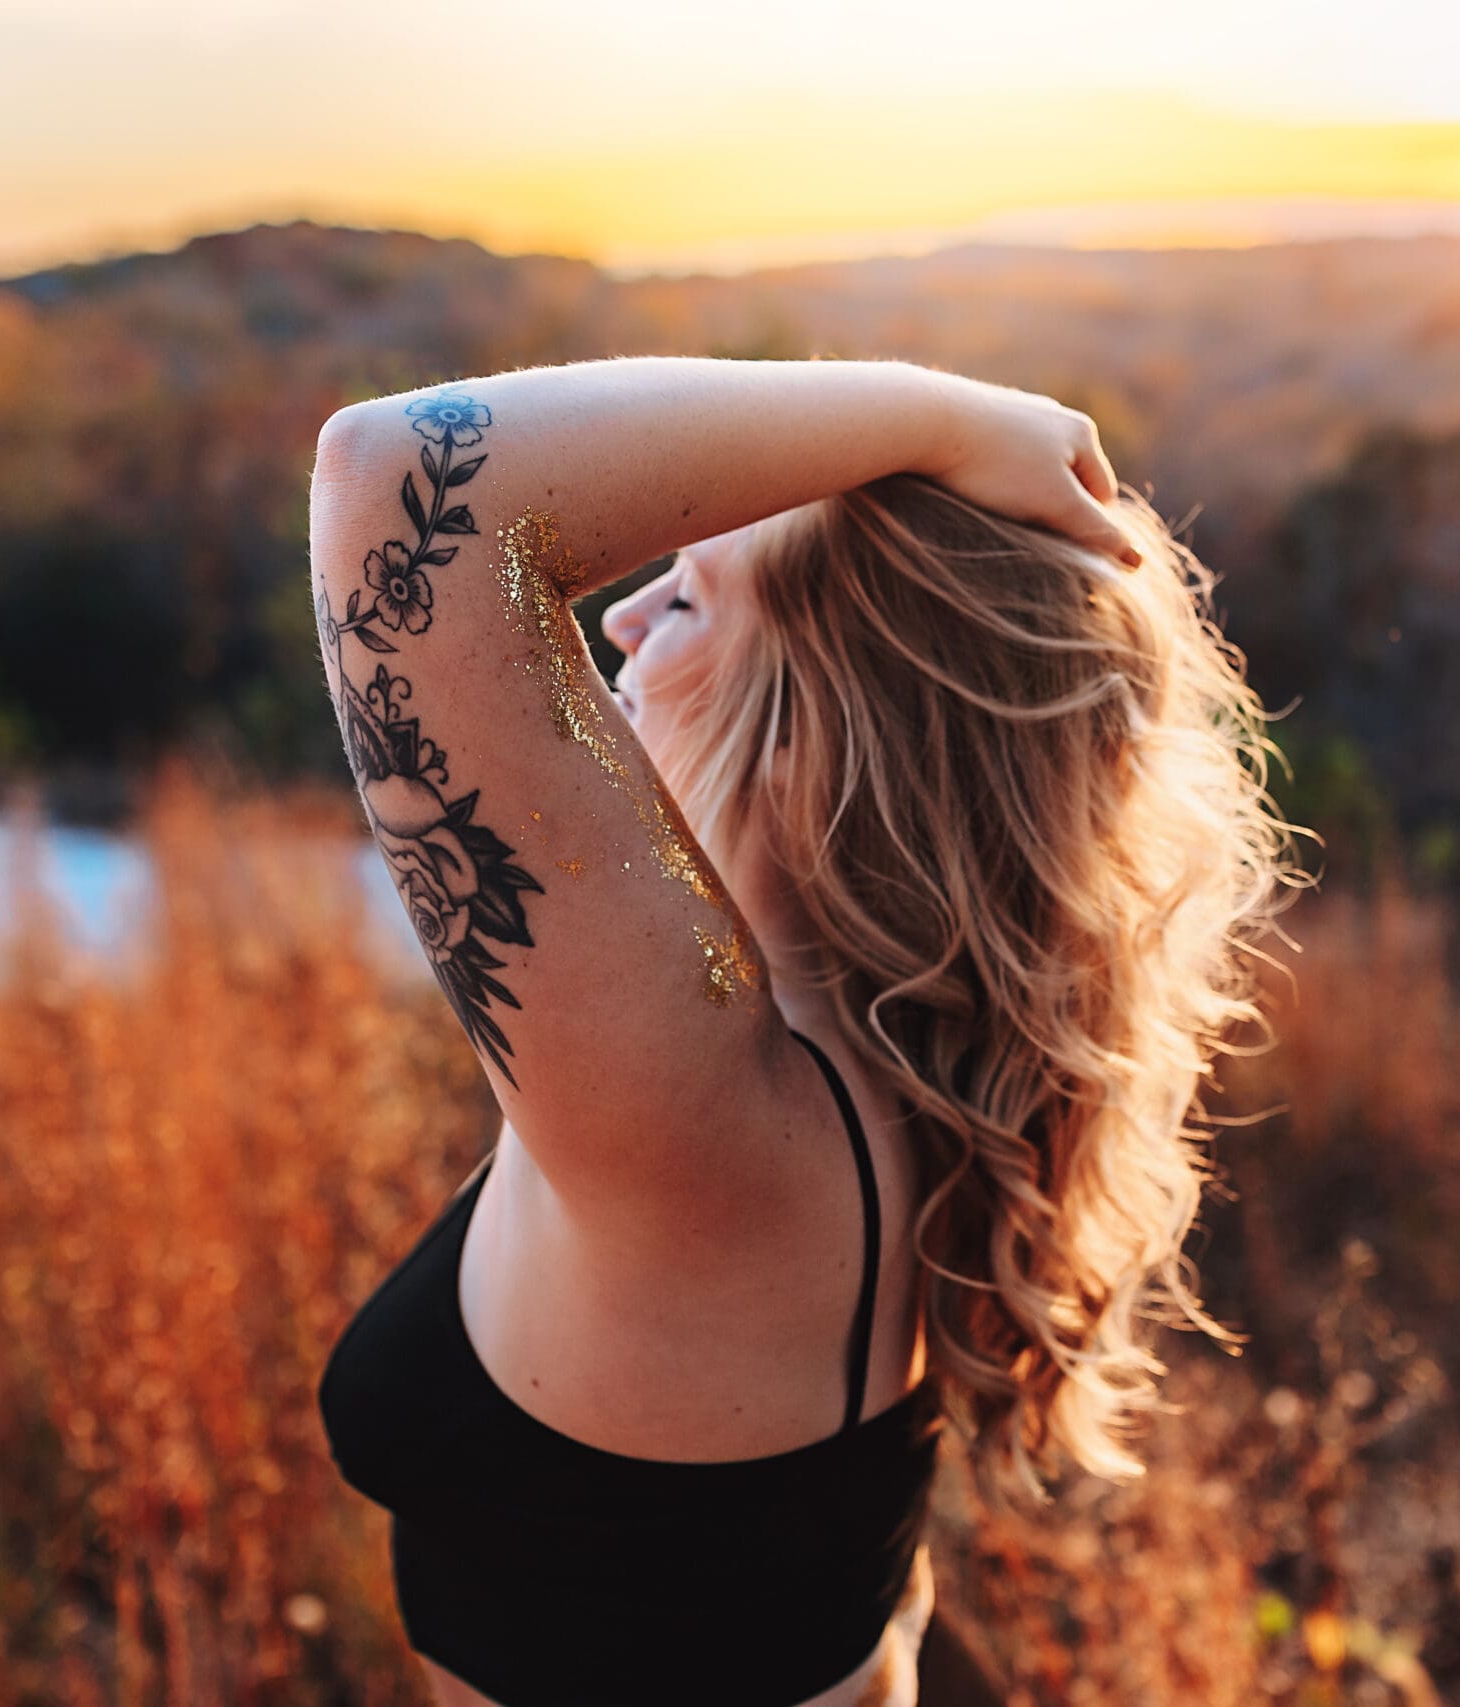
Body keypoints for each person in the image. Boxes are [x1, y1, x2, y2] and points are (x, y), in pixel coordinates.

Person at [310, 356, 1306, 1706]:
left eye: (688, 594)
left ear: (810, 734)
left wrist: (956, 419)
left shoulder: (706, 1108)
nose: (617, 624)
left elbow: (389, 485)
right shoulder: (904, 1036)